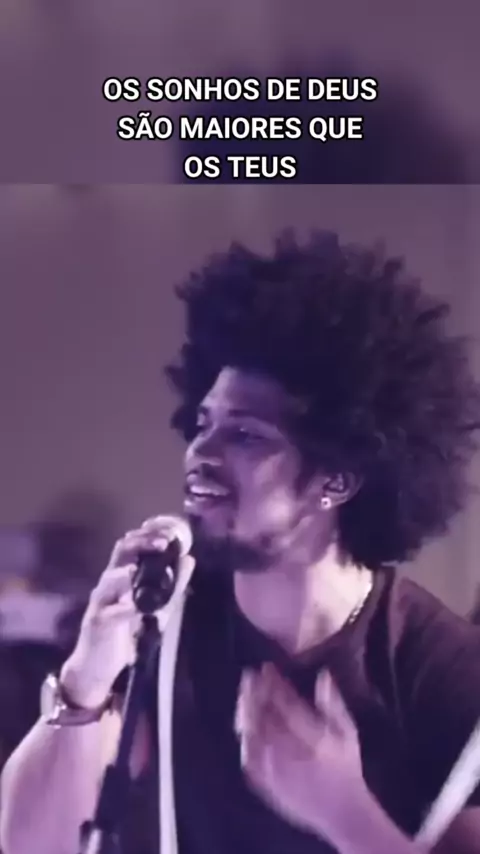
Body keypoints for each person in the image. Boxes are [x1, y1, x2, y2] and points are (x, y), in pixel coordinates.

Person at [2, 231, 480, 854]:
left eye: (246, 435)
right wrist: (86, 679)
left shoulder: (445, 672)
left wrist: (344, 813)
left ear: (336, 480)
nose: (201, 452)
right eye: (203, 424)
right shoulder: (164, 628)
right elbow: (32, 845)